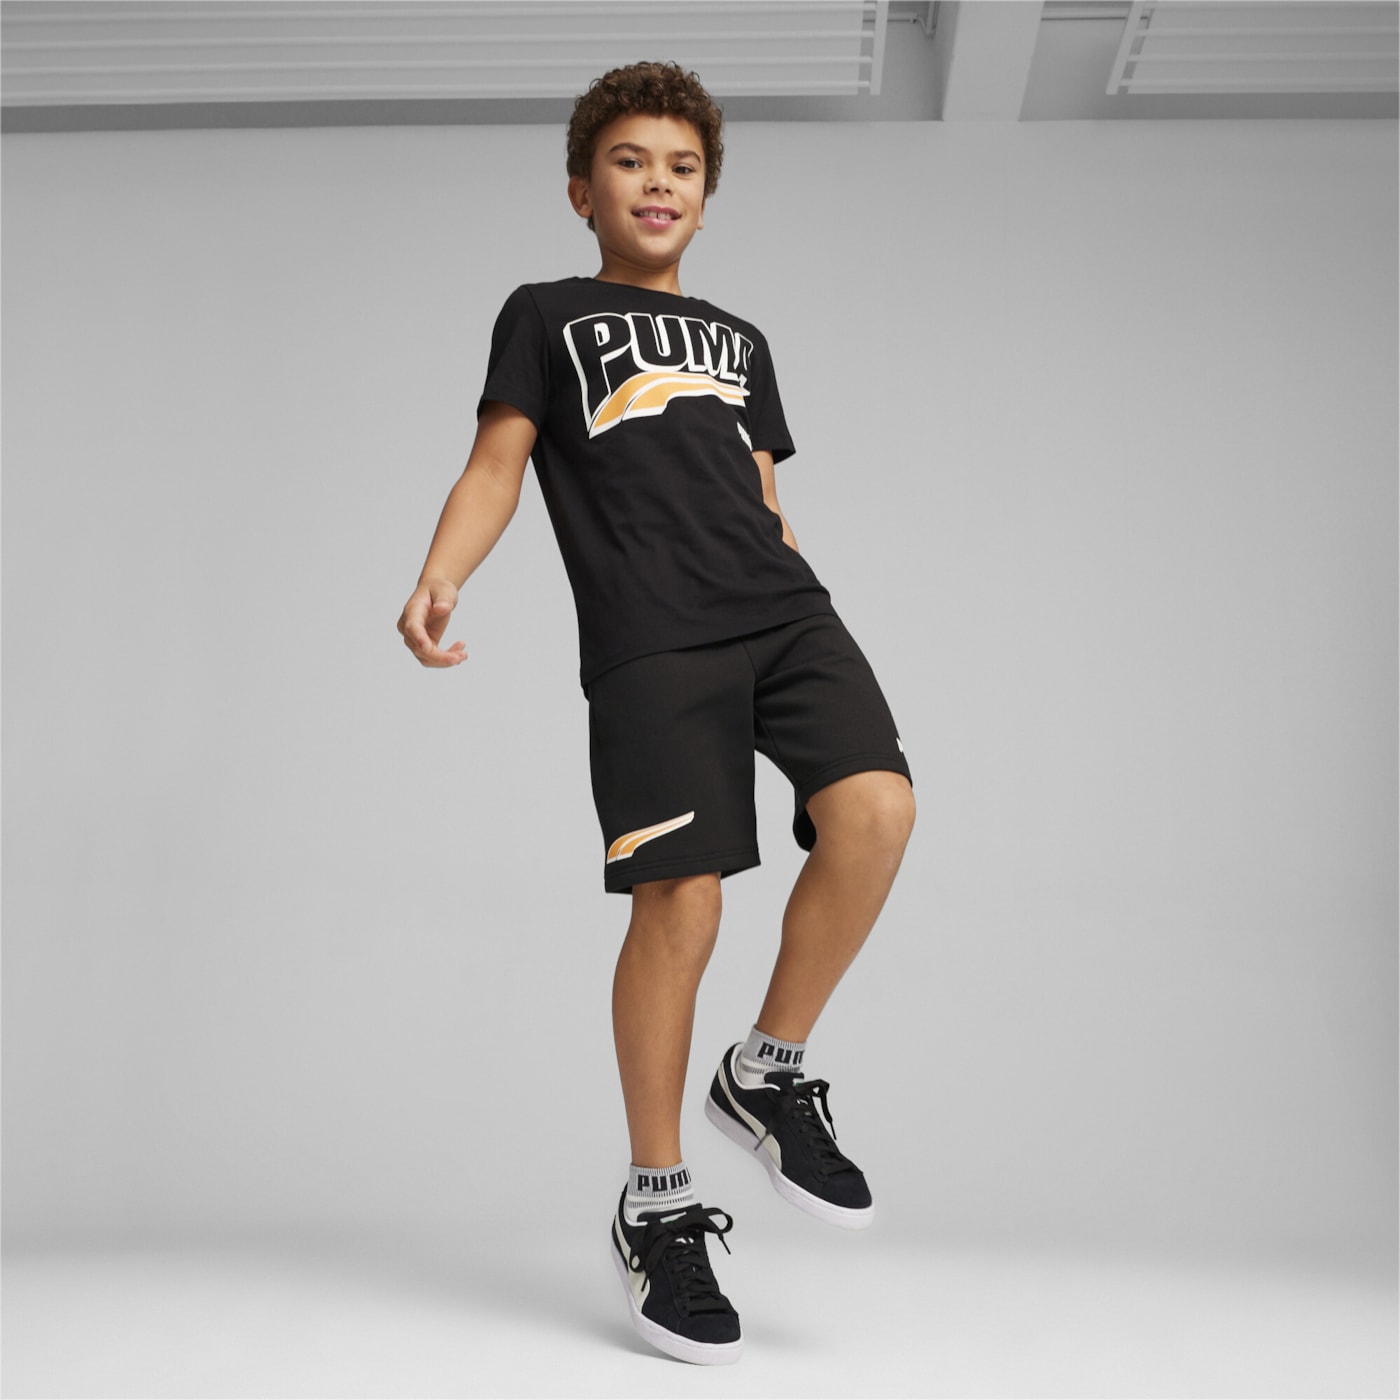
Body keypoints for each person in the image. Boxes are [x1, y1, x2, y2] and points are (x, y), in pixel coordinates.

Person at [397, 60, 915, 1366]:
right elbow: (497, 464)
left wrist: (791, 580)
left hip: (783, 610)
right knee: (682, 902)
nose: (658, 183)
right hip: (651, 639)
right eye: (629, 161)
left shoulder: (742, 340)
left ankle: (770, 1069)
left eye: (682, 166)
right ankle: (659, 1201)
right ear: (584, 190)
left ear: (706, 193)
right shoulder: (547, 315)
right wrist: (443, 572)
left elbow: (761, 493)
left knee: (877, 810)